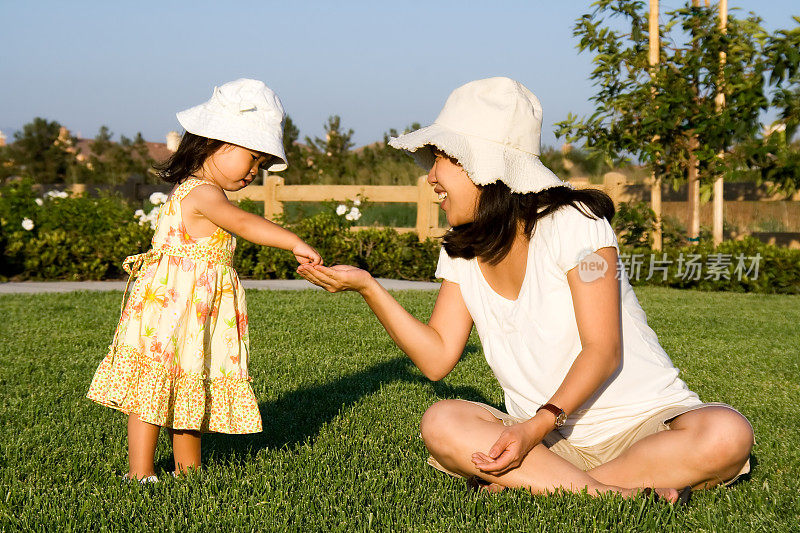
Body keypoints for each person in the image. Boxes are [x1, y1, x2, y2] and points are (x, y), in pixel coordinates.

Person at [297, 77, 754, 502]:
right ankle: (613, 492)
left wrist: (532, 431)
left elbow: (603, 350)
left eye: (440, 161)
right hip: (549, 441)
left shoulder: (578, 225)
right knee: (443, 420)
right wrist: (368, 287)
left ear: (481, 168)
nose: (430, 178)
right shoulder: (464, 250)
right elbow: (437, 359)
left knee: (726, 431)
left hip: (641, 429)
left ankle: (546, 483)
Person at [87, 79, 321, 482]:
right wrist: (291, 241)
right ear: (215, 143)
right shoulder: (202, 192)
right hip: (173, 311)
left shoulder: (200, 190)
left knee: (186, 388)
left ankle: (189, 471)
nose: (253, 171)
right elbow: (242, 223)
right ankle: (140, 473)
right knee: (154, 390)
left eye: (260, 165)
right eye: (251, 158)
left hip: (191, 311)